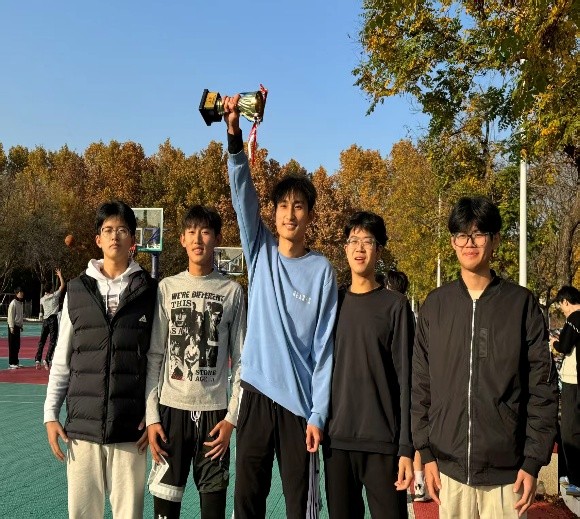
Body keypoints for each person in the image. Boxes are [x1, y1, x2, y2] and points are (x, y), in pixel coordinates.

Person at [223, 94, 338, 519]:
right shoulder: (260, 252)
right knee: (247, 502)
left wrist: (318, 413)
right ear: (273, 214)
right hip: (254, 394)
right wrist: (234, 136)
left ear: (310, 215)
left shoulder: (322, 271)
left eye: (299, 206)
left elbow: (324, 350)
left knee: (300, 508)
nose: (290, 214)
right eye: (283, 206)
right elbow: (242, 196)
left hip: (298, 409)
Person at [412, 196, 558, 519]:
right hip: (449, 473)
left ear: (495, 240)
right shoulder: (435, 307)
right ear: (453, 241)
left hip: (507, 474)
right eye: (461, 235)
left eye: (479, 234)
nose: (469, 243)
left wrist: (533, 460)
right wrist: (426, 452)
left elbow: (543, 388)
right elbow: (420, 386)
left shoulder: (521, 305)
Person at [43, 200, 157, 519]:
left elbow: (155, 361)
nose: (114, 236)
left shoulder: (150, 291)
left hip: (129, 430)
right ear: (98, 239)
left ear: (133, 239)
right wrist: (50, 413)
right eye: (108, 230)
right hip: (83, 429)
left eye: (122, 229)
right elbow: (62, 359)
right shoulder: (77, 290)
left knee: (129, 514)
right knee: (82, 514)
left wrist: (152, 416)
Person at [145, 205, 246, 519]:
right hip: (170, 413)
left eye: (205, 232)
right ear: (182, 239)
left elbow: (242, 361)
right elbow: (155, 356)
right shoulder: (167, 288)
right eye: (191, 232)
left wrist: (231, 419)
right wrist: (152, 418)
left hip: (215, 416)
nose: (198, 239)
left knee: (213, 510)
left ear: (217, 238)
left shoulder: (232, 291)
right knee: (165, 510)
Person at [323, 212, 414, 518]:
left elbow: (406, 381)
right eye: (353, 241)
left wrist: (406, 448)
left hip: (383, 444)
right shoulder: (331, 304)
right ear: (345, 248)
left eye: (368, 241)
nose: (359, 248)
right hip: (337, 442)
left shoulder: (395, 306)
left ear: (379, 249)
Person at [385, 269, 431, 502]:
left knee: (410, 436)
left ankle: (413, 481)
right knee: (415, 435)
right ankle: (419, 484)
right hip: (414, 384)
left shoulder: (397, 310)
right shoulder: (410, 313)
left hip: (404, 387)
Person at [550, 286, 580, 497]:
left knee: (570, 430)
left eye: (562, 306)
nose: (563, 310)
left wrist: (555, 343)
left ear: (566, 302)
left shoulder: (574, 318)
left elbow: (565, 346)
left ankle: (575, 479)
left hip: (573, 380)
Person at [35, 268, 65, 369]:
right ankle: (47, 359)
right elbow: (62, 285)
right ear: (51, 289)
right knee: (52, 341)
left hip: (45, 320)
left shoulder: (42, 299)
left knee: (42, 340)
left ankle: (37, 359)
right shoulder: (55, 296)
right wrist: (60, 275)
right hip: (53, 320)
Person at [7, 287, 25, 369]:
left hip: (17, 326)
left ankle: (16, 362)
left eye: (22, 292)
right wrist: (11, 327)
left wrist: (21, 325)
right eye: (20, 292)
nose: (22, 294)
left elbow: (20, 315)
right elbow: (10, 316)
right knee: (12, 345)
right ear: (17, 293)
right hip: (13, 326)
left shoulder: (20, 303)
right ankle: (11, 363)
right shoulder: (13, 303)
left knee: (17, 345)